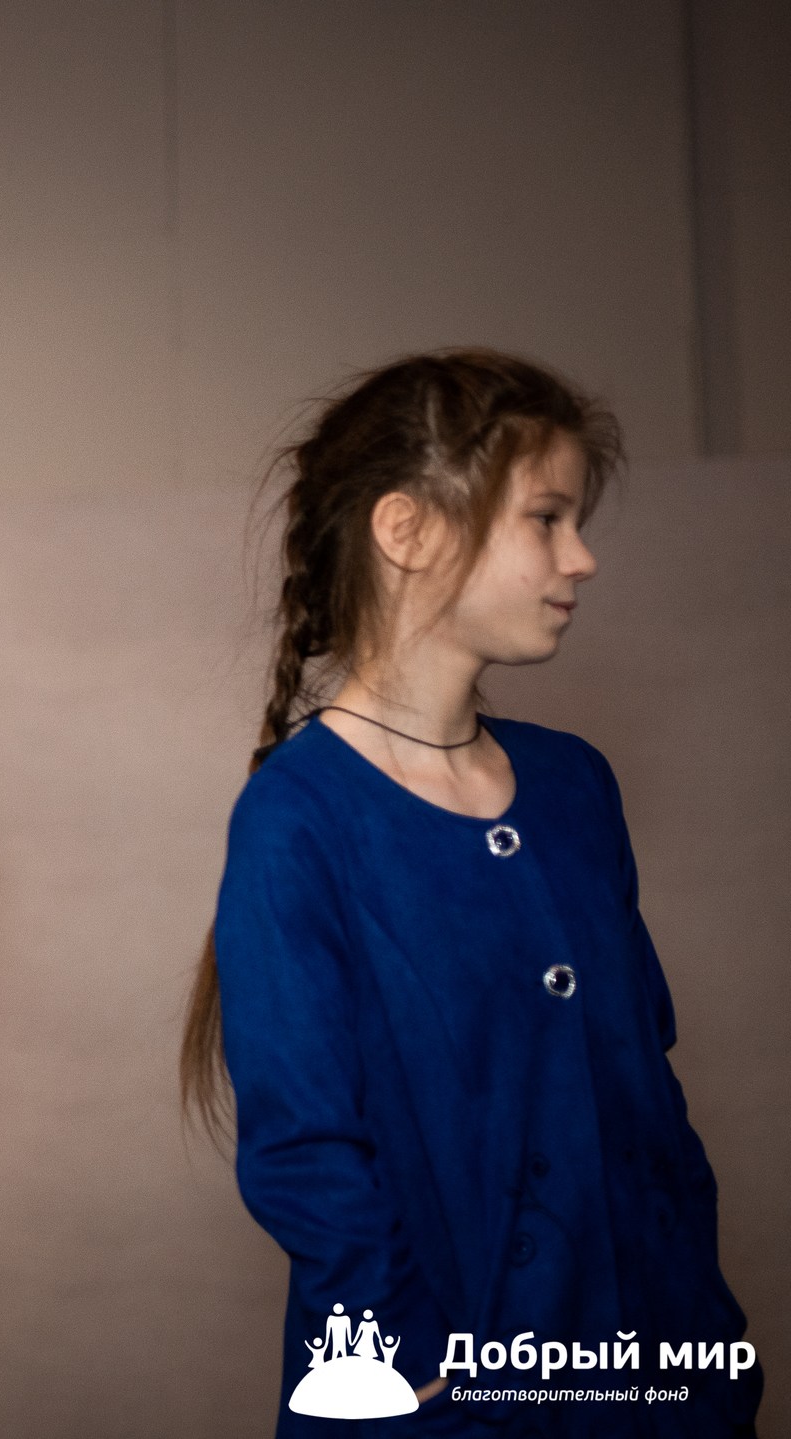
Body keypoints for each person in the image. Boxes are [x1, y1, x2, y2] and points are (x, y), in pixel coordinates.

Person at [181, 349, 758, 1436]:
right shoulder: (299, 816)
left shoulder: (574, 784)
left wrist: (704, 1342)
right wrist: (406, 1364)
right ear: (407, 529)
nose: (581, 556)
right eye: (545, 518)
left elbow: (645, 1091)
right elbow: (305, 1148)